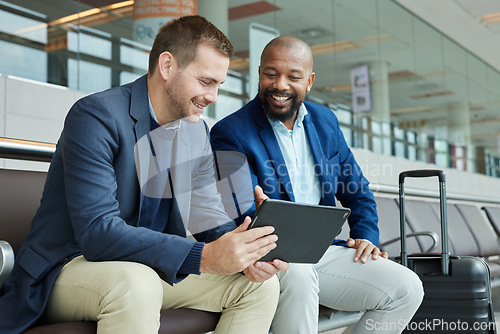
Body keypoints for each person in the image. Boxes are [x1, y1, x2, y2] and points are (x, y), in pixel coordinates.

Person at [0, 16, 288, 334]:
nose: (213, 97)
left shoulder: (194, 132)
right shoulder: (96, 116)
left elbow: (207, 219)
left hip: (145, 268)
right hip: (66, 268)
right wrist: (205, 256)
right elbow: (98, 233)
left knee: (259, 287)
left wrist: (247, 246)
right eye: (206, 82)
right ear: (167, 66)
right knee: (137, 284)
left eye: (218, 85)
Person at [210, 36, 424, 334]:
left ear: (309, 81)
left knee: (406, 287)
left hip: (324, 251)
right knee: (298, 273)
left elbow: (358, 191)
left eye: (293, 77)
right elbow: (240, 208)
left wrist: (365, 237)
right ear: (259, 74)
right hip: (271, 254)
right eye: (271, 74)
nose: (280, 85)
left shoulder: (325, 122)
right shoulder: (230, 132)